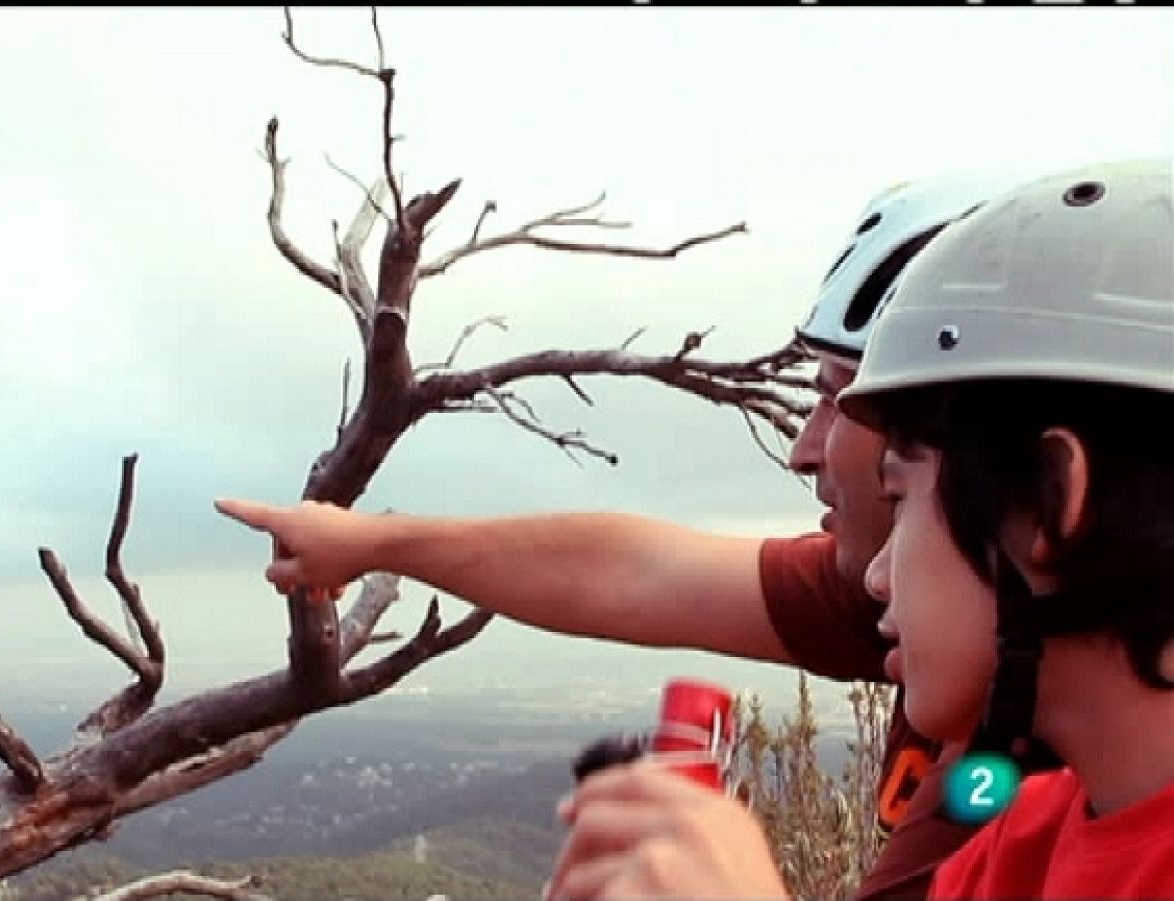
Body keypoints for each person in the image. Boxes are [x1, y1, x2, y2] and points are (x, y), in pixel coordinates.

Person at [215, 171, 1027, 898]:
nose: (803, 446)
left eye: (834, 398)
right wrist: (372, 541)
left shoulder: (1092, 784)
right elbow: (637, 572)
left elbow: (641, 573)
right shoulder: (950, 637)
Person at [546, 157, 1174, 899]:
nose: (877, 574)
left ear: (1045, 501)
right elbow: (633, 573)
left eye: (900, 494)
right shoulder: (1020, 848)